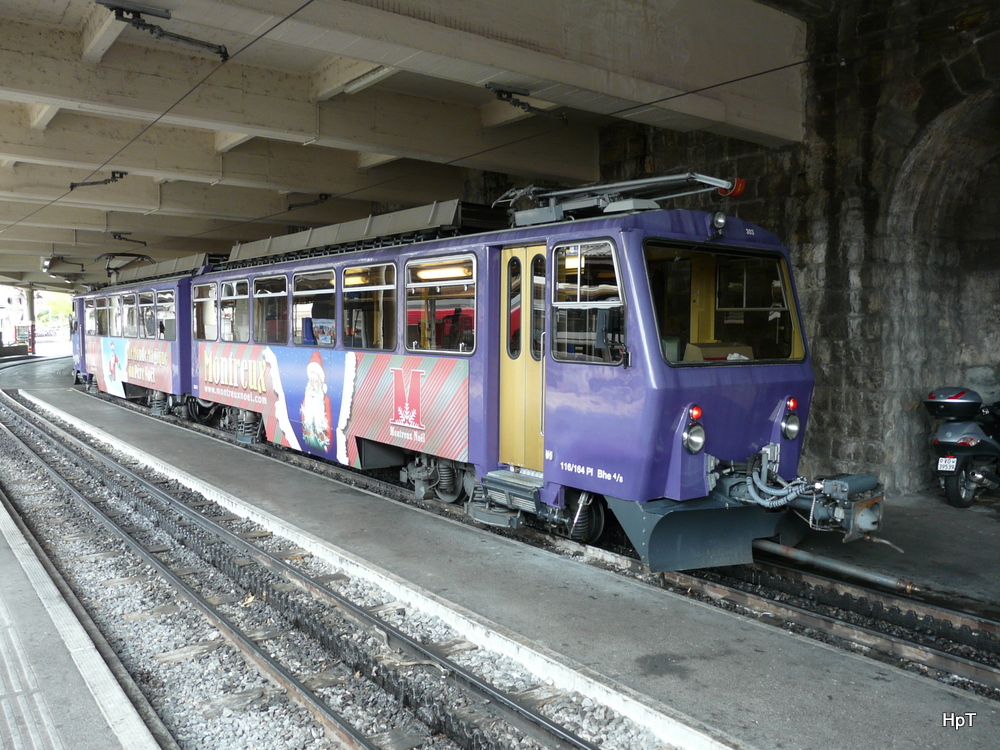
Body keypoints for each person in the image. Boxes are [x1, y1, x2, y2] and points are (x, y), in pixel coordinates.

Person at [300, 350, 333, 452]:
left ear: (321, 382)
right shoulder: (307, 398)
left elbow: (328, 421)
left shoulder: (325, 399)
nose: (313, 384)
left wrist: (326, 437)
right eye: (311, 380)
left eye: (315, 381)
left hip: (322, 438)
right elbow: (303, 419)